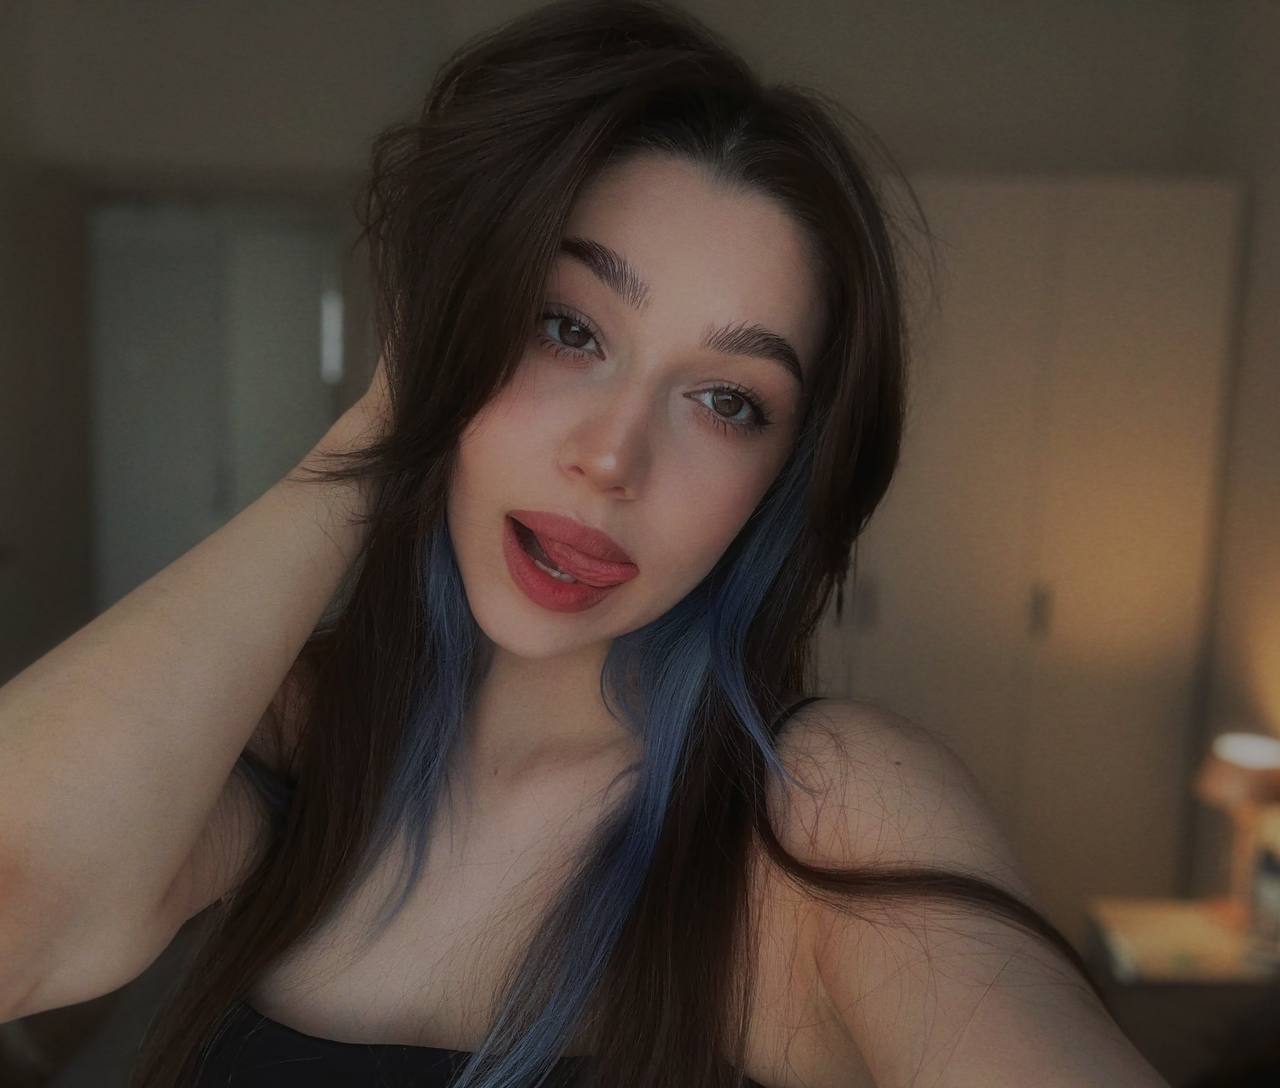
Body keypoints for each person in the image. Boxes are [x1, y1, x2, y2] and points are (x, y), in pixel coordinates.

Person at [0, 1, 1172, 1086]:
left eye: (726, 400)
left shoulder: (815, 811)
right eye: (564, 327)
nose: (612, 456)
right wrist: (378, 436)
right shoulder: (308, 729)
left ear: (781, 479)